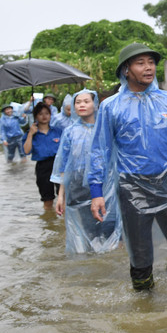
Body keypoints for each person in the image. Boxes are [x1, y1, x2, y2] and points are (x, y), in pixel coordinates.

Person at [89, 43, 167, 291]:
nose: (148, 68)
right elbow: (100, 151)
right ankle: (144, 300)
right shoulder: (111, 107)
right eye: (141, 63)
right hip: (132, 185)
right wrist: (96, 193)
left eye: (151, 62)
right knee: (140, 251)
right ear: (126, 70)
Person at [52, 89, 121, 254]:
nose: (81, 105)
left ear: (95, 104)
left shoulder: (106, 130)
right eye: (78, 102)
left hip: (105, 186)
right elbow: (64, 166)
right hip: (78, 188)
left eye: (86, 101)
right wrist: (61, 196)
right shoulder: (70, 132)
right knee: (88, 231)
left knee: (109, 227)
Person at [23, 102, 62, 211]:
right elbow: (26, 151)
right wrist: (31, 134)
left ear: (50, 115)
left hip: (58, 164)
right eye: (40, 114)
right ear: (35, 116)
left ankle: (63, 225)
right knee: (47, 199)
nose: (44, 116)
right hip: (43, 167)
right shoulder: (30, 133)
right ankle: (49, 222)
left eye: (46, 113)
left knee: (63, 197)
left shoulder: (58, 131)